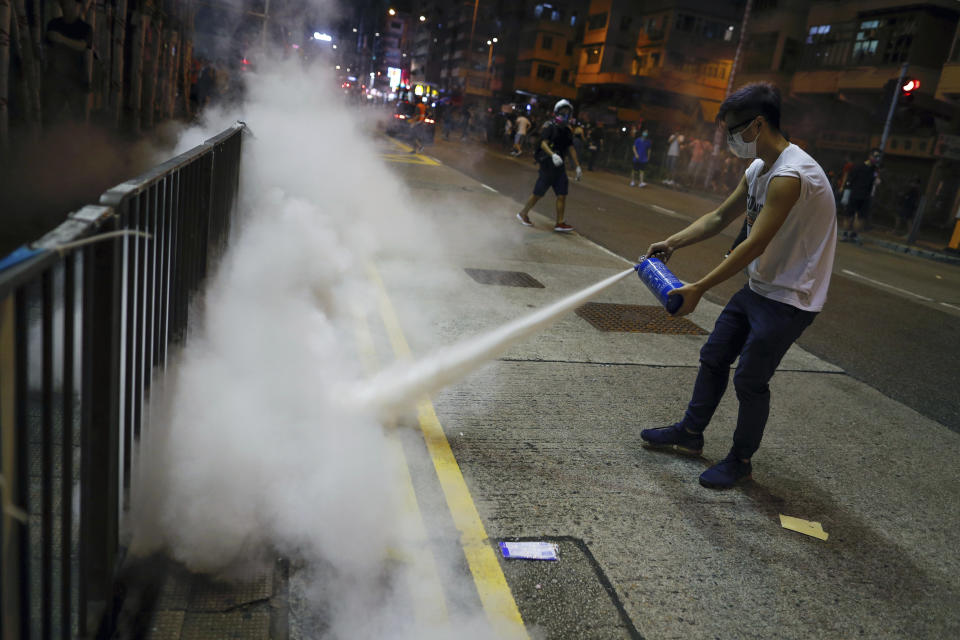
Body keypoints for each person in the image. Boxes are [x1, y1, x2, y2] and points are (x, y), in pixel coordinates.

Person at [638, 82, 837, 489]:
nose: (729, 139)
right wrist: (672, 242)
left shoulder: (791, 176)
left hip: (791, 297)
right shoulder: (759, 168)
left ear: (757, 125)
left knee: (750, 378)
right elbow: (718, 218)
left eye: (733, 130)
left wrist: (698, 288)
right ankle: (690, 435)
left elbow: (754, 243)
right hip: (761, 286)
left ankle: (740, 461)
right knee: (714, 356)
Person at [515, 99, 584, 232]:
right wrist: (553, 155)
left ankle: (560, 223)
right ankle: (523, 213)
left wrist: (577, 166)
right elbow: (543, 143)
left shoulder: (567, 131)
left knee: (562, 194)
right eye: (563, 112)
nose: (565, 115)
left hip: (560, 167)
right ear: (556, 112)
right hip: (548, 166)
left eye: (568, 113)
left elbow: (571, 148)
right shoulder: (550, 126)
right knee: (538, 193)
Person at [44, 0, 94, 124]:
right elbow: (47, 48)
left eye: (69, 3)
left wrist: (61, 39)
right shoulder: (54, 24)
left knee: (79, 120)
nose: (66, 6)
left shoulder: (85, 28)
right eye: (64, 3)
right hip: (55, 79)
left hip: (76, 80)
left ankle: (78, 142)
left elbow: (82, 45)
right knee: (49, 119)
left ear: (78, 5)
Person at [841, 148, 881, 242]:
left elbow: (874, 183)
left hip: (866, 196)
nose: (876, 158)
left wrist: (877, 181)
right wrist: (846, 191)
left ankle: (854, 235)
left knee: (861, 217)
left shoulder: (875, 169)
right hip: (854, 194)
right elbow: (850, 179)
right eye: (875, 156)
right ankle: (845, 234)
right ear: (870, 156)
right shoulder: (859, 166)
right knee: (849, 215)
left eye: (878, 157)